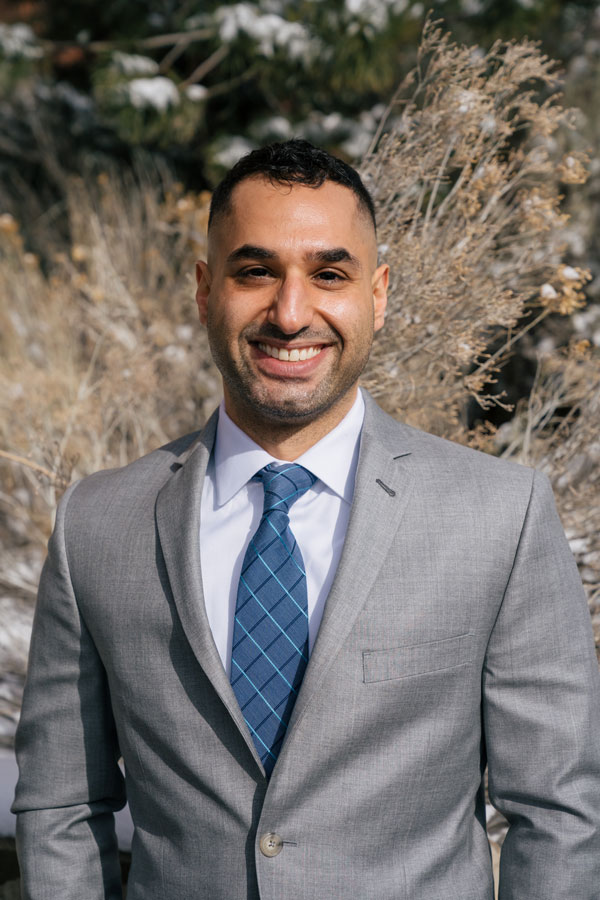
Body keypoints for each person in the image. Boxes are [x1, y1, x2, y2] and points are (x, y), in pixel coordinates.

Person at [13, 139, 600, 900]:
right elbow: (63, 805)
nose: (291, 314)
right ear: (203, 289)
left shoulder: (501, 515)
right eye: (255, 271)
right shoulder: (98, 523)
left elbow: (559, 815)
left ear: (379, 294)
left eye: (329, 274)